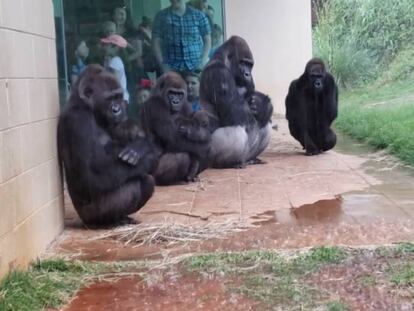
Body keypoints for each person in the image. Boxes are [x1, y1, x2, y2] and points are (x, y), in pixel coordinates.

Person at [152, 0, 211, 73]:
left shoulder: (199, 15)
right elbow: (155, 42)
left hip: (195, 67)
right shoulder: (161, 16)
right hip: (170, 68)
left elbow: (207, 41)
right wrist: (162, 65)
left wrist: (202, 62)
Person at [100, 34, 130, 103]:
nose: (103, 47)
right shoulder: (113, 61)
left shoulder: (115, 61)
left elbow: (114, 81)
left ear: (115, 48)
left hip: (118, 98)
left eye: (106, 45)